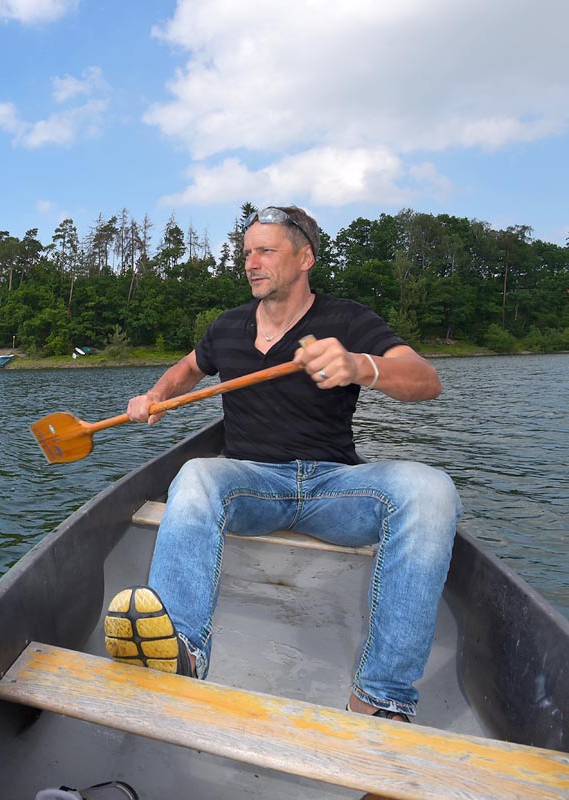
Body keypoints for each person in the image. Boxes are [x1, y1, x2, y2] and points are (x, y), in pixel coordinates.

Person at [103, 205, 460, 723]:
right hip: (252, 484)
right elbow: (186, 370)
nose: (251, 262)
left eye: (266, 250)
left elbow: (425, 380)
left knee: (431, 490)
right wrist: (154, 395)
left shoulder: (346, 320)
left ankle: (381, 697)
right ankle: (180, 652)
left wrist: (363, 366)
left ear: (305, 257)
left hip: (334, 486)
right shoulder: (227, 327)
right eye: (247, 253)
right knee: (198, 473)